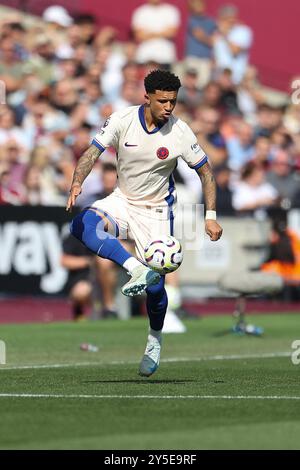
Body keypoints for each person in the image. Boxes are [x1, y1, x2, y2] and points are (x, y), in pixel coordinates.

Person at [66, 69, 223, 377]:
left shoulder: (180, 132)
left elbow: (206, 173)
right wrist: (76, 183)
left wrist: (211, 217)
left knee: (156, 289)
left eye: (173, 102)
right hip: (122, 200)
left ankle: (155, 338)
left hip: (157, 212)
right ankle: (135, 268)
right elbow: (91, 153)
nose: (168, 107)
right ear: (147, 96)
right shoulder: (122, 120)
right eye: (162, 101)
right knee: (81, 224)